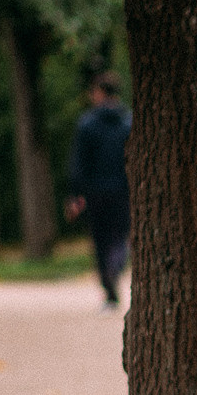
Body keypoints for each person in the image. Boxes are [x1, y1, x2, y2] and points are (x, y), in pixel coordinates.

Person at [64, 71, 132, 310]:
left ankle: (109, 287)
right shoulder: (129, 122)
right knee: (120, 237)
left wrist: (75, 195)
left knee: (100, 241)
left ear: (100, 92)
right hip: (123, 191)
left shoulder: (87, 124)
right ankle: (116, 267)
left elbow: (79, 163)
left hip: (95, 193)